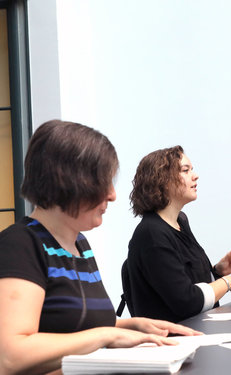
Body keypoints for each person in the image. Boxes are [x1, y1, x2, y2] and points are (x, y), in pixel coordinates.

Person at [0, 121, 200, 375]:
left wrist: (132, 326)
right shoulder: (21, 244)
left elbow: (73, 324)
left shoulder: (79, 244)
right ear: (68, 181)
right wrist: (106, 335)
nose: (113, 194)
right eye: (102, 182)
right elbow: (11, 355)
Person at [123, 145, 231, 323]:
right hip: (173, 343)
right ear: (163, 180)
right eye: (185, 170)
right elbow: (186, 301)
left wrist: (217, 272)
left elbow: (187, 283)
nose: (195, 176)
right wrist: (227, 282)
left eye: (192, 170)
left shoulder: (181, 222)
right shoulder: (151, 234)